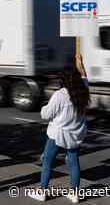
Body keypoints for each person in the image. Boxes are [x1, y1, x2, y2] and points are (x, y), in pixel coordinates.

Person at [28, 54, 90, 203]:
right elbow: (84, 78)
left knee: (48, 161)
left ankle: (42, 191)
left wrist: (44, 107)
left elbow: (46, 114)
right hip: (76, 134)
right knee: (74, 162)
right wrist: (81, 64)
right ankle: (74, 193)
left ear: (63, 81)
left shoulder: (60, 95)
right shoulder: (83, 91)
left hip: (58, 135)